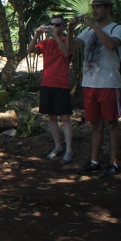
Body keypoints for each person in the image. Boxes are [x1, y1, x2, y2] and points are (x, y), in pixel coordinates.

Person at [69, 0, 121, 178]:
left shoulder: (117, 28)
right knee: (95, 124)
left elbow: (110, 45)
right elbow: (71, 47)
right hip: (90, 83)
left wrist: (93, 25)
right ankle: (94, 162)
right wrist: (70, 29)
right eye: (93, 7)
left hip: (109, 83)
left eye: (99, 7)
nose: (94, 10)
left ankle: (114, 163)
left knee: (111, 123)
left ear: (108, 9)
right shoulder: (87, 32)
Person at [27, 15, 74, 163]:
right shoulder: (46, 43)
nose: (55, 27)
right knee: (51, 116)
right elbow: (30, 50)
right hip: (47, 83)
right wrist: (36, 35)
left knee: (65, 117)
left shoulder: (68, 41)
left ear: (63, 27)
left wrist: (57, 36)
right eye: (52, 25)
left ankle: (69, 150)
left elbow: (66, 54)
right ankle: (58, 146)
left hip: (62, 83)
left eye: (58, 25)